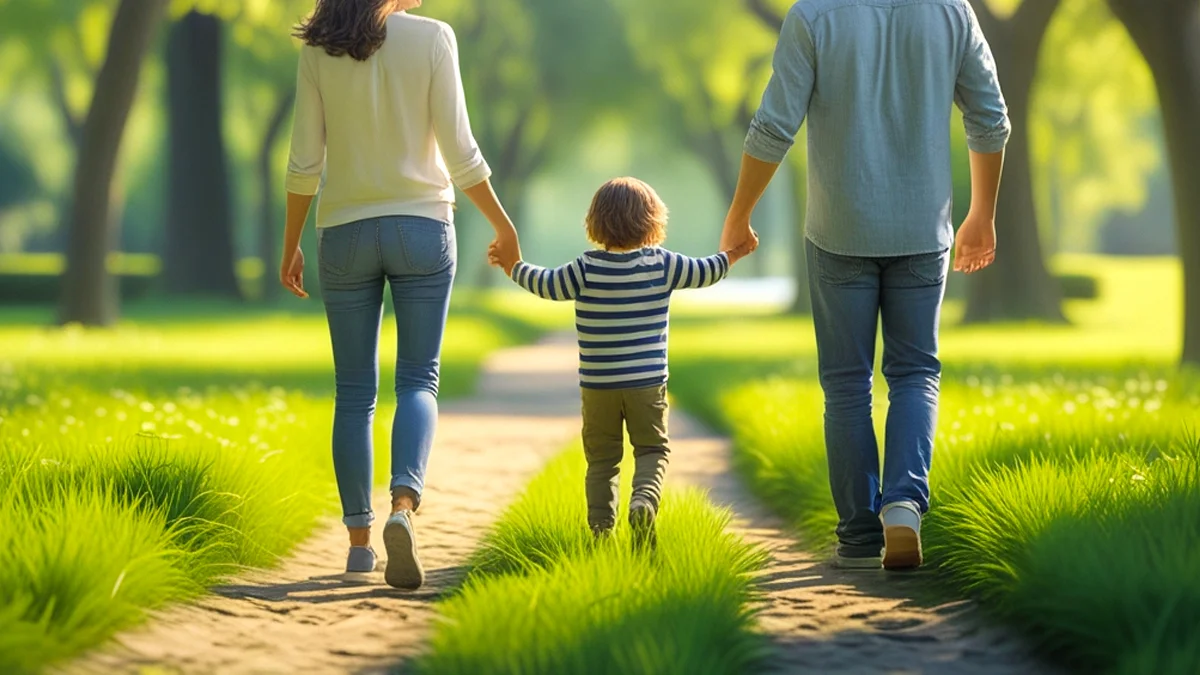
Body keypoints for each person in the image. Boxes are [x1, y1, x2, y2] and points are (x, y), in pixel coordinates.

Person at [720, 0, 1010, 570]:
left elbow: (774, 125)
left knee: (848, 385)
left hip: (839, 231)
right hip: (923, 230)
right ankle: (903, 505)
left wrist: (738, 216)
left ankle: (857, 537)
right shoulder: (952, 12)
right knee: (915, 373)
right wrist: (983, 214)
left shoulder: (814, 15)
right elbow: (991, 116)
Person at [279, 0, 521, 589]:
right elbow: (461, 151)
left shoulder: (317, 49)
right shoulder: (434, 38)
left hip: (343, 232)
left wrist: (290, 244)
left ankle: (360, 548)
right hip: (422, 228)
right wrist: (502, 225)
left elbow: (304, 161)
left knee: (354, 390)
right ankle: (403, 510)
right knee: (418, 379)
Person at [488, 177, 756, 548]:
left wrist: (512, 266)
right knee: (652, 450)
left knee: (602, 462)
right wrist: (734, 254)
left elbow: (545, 284)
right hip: (647, 385)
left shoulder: (585, 268)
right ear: (652, 221)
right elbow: (706, 271)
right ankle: (644, 502)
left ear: (596, 222)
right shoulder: (663, 264)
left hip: (598, 387)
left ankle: (601, 533)